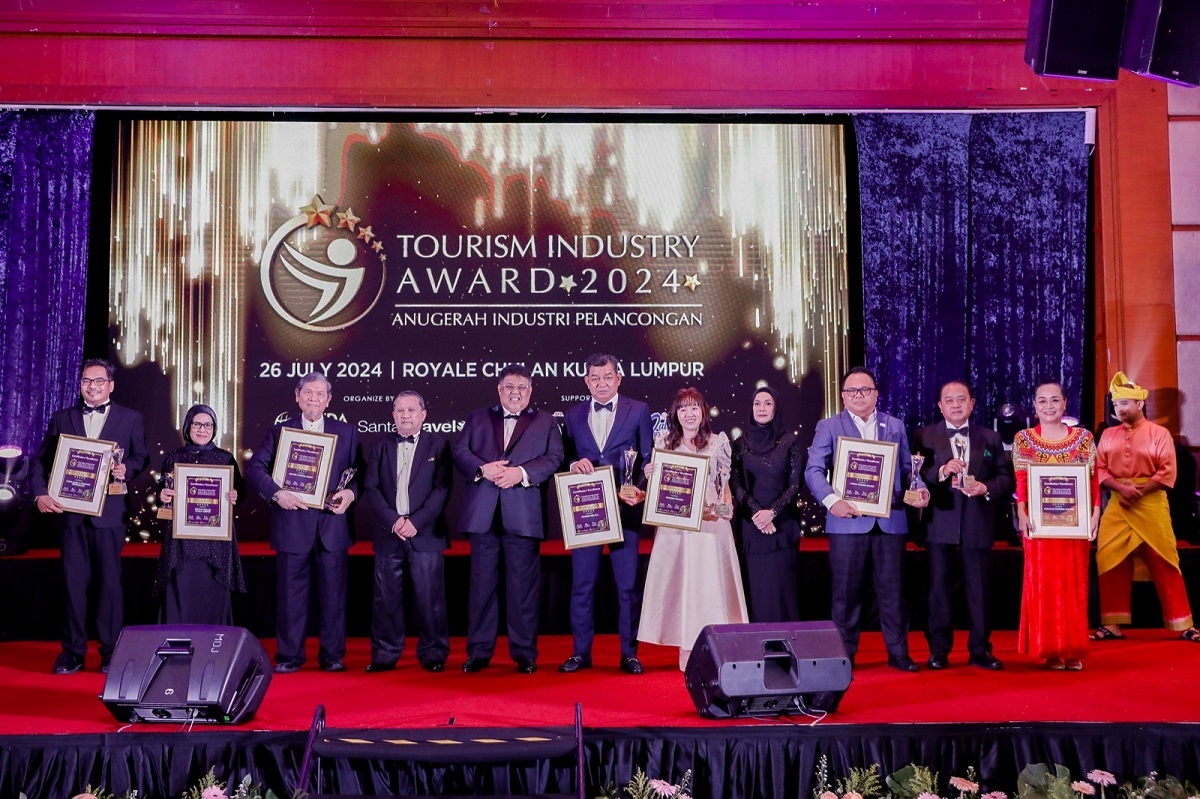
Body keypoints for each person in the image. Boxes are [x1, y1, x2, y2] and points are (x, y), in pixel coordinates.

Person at [805, 366, 928, 672]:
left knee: (894, 593)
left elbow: (907, 470)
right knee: (845, 595)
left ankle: (898, 653)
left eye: (865, 390)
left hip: (890, 522)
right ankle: (844, 656)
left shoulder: (894, 425)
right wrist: (832, 501)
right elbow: (813, 470)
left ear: (876, 394)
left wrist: (920, 487)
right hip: (846, 523)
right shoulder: (829, 426)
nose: (858, 395)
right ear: (843, 396)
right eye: (852, 391)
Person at [30, 358, 148, 675]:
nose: (92, 386)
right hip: (70, 514)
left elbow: (141, 456)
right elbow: (40, 461)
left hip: (110, 514)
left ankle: (110, 651)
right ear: (80, 384)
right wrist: (40, 493)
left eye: (98, 381)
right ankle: (72, 652)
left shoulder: (130, 418)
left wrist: (127, 468)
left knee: (110, 584)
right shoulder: (62, 418)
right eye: (86, 381)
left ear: (111, 385)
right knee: (73, 584)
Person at [246, 372, 362, 674]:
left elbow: (360, 474)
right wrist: (277, 493)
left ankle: (333, 656)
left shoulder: (347, 432)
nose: (313, 398)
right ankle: (289, 656)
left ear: (329, 400)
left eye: (320, 393)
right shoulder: (279, 432)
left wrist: (350, 494)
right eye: (308, 392)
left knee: (334, 597)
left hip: (332, 527)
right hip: (292, 525)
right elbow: (255, 468)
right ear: (297, 396)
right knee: (290, 597)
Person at [453, 364, 564, 674]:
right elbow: (459, 451)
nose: (516, 392)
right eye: (510, 386)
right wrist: (482, 469)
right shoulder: (477, 417)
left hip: (523, 517)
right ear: (499, 389)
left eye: (522, 387)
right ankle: (479, 652)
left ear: (530, 391)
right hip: (483, 517)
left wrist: (521, 473)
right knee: (481, 588)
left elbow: (555, 457)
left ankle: (525, 653)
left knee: (523, 589)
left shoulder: (546, 421)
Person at [638, 387, 748, 671]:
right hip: (677, 526)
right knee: (682, 586)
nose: (689, 414)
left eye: (694, 407)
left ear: (703, 412)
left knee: (710, 585)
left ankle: (716, 649)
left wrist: (726, 507)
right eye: (683, 408)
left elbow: (724, 486)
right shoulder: (663, 442)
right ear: (676, 414)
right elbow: (660, 491)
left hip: (710, 524)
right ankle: (686, 650)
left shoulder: (717, 441)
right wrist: (651, 475)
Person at [560, 354, 654, 674]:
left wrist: (639, 489)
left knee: (627, 587)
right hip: (587, 511)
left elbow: (647, 458)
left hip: (625, 511)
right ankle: (580, 653)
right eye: (595, 378)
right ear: (587, 382)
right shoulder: (572, 414)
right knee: (582, 585)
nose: (601, 383)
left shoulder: (638, 410)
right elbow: (565, 455)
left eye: (607, 377)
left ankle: (629, 654)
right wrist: (574, 463)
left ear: (618, 378)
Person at [1090, 372, 1200, 643]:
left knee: (1165, 560)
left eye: (1125, 403)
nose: (1120, 409)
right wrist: (1121, 488)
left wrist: (1138, 491)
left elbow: (1167, 471)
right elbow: (1099, 469)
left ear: (1140, 404)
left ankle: (1183, 623)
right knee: (1108, 559)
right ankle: (1112, 624)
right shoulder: (1107, 435)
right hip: (1118, 505)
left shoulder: (1159, 434)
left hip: (1151, 503)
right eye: (1117, 404)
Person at [912, 380, 1013, 670]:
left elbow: (1006, 477)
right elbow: (915, 472)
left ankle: (980, 649)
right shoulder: (924, 435)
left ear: (972, 404)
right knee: (938, 589)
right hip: (939, 522)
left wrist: (985, 487)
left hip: (978, 521)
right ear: (940, 406)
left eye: (961, 399)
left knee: (979, 589)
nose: (955, 405)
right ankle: (939, 650)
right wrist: (942, 470)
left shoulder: (990, 438)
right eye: (949, 400)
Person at [361, 390, 453, 672]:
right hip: (389, 533)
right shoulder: (380, 446)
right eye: (399, 410)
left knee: (430, 598)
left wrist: (416, 522)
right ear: (393, 415)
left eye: (411, 410)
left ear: (423, 415)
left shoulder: (440, 445)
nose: (405, 415)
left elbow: (442, 490)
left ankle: (434, 653)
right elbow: (371, 488)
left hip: (426, 533)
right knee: (385, 600)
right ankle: (385, 655)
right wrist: (394, 521)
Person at [1012, 380, 1100, 671]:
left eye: (1054, 400)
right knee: (1043, 586)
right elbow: (1021, 481)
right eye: (1042, 401)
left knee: (1074, 586)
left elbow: (1093, 481)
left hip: (1074, 526)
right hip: (1039, 525)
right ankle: (1049, 649)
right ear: (1034, 406)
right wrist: (1021, 513)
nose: (1048, 406)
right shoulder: (1024, 439)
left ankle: (1073, 648)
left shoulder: (1083, 438)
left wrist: (1095, 513)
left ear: (1064, 403)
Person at [154, 404, 245, 625]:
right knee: (182, 586)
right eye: (197, 424)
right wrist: (162, 495)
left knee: (212, 590)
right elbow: (161, 491)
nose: (202, 430)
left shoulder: (225, 458)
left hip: (216, 541)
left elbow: (241, 491)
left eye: (208, 425)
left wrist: (235, 495)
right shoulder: (173, 457)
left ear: (214, 429)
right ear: (188, 427)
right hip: (181, 541)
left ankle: (214, 640)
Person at [730, 385, 805, 623]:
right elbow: (736, 485)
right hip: (751, 528)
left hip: (782, 526)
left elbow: (795, 485)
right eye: (757, 404)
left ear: (776, 408)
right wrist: (758, 514)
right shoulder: (739, 444)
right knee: (755, 592)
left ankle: (784, 642)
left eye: (767, 403)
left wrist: (772, 512)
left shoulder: (790, 441)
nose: (761, 408)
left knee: (782, 592)